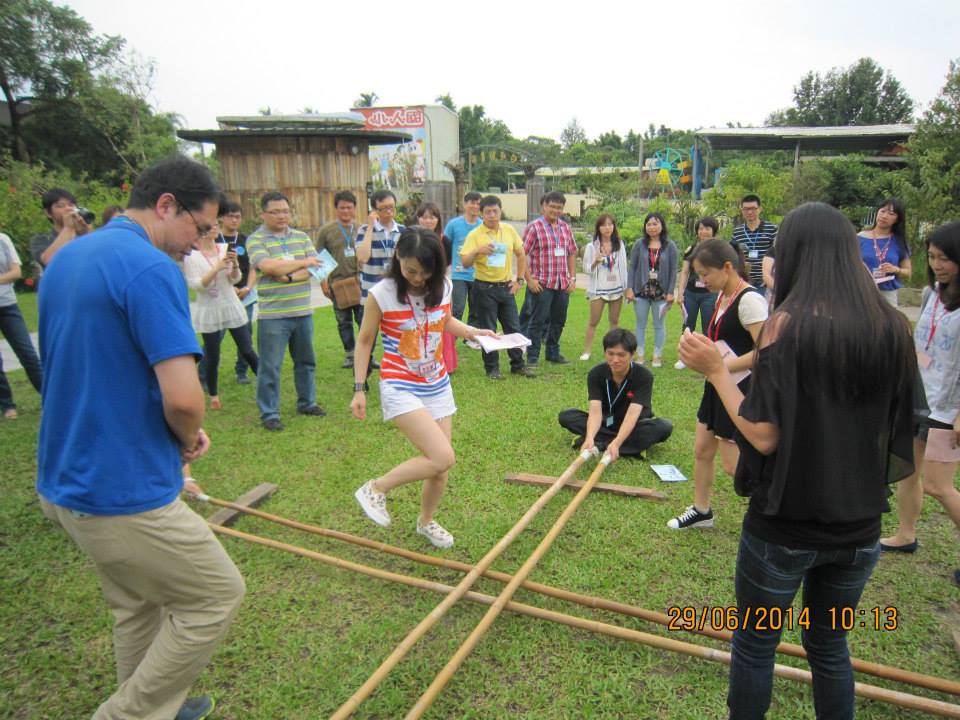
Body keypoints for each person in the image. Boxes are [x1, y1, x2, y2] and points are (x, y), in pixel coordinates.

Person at [679, 202, 915, 719]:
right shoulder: (892, 327)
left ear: (794, 255)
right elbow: (902, 430)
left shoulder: (787, 328)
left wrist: (716, 371)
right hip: (859, 528)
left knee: (757, 643)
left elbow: (763, 437)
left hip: (785, 527)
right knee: (830, 646)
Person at [36, 155, 245, 720]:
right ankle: (127, 713)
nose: (197, 243)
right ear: (165, 205)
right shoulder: (150, 268)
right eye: (199, 229)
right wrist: (188, 434)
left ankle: (158, 705)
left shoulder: (69, 256)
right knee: (216, 594)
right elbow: (182, 397)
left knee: (136, 603)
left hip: (63, 477)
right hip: (119, 485)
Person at [351, 227, 496, 549]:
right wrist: (359, 388)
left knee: (439, 467)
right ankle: (375, 488)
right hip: (400, 384)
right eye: (410, 270)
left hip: (437, 383)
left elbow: (443, 322)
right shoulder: (382, 294)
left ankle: (426, 522)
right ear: (398, 260)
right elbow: (364, 342)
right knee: (443, 456)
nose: (417, 278)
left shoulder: (441, 287)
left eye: (425, 272)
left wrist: (474, 333)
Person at [880, 221, 960, 584]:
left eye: (946, 258)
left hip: (949, 405)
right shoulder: (931, 293)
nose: (939, 265)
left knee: (938, 485)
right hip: (920, 396)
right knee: (908, 471)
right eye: (932, 257)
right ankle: (906, 535)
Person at [668, 239, 766, 530]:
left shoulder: (750, 300)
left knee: (734, 465)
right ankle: (702, 510)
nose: (702, 280)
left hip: (738, 390)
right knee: (701, 450)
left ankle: (772, 512)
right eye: (698, 274)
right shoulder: (723, 296)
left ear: (727, 267)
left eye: (706, 273)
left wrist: (718, 366)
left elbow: (765, 353)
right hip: (717, 385)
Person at [246, 191, 325, 431]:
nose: (282, 216)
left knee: (306, 361)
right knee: (270, 365)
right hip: (274, 316)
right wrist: (303, 263)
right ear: (263, 214)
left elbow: (319, 268)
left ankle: (307, 402)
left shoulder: (301, 237)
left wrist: (287, 276)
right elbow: (267, 266)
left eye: (285, 211)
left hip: (302, 310)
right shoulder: (256, 239)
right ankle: (269, 413)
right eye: (276, 212)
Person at [559, 328, 672, 459]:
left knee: (664, 427)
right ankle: (627, 447)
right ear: (605, 352)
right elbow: (595, 411)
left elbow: (632, 414)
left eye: (621, 355)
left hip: (634, 425)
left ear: (632, 354)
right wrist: (589, 437)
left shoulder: (644, 376)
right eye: (610, 353)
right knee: (567, 416)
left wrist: (617, 443)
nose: (615, 359)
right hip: (606, 421)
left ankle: (603, 444)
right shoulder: (596, 373)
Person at [183, 223, 259, 410]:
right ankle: (214, 395)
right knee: (212, 354)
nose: (216, 227)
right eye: (211, 225)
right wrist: (216, 267)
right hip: (209, 308)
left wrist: (233, 266)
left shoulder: (224, 248)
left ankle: (267, 383)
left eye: (216, 224)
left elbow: (234, 278)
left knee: (247, 349)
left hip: (230, 304)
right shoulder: (192, 256)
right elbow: (197, 285)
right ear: (201, 231)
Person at [460, 195, 535, 380]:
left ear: (500, 211)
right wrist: (478, 251)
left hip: (506, 287)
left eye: (495, 211)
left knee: (513, 327)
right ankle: (492, 368)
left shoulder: (509, 230)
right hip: (484, 288)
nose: (492, 215)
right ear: (481, 213)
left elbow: (521, 253)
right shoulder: (475, 235)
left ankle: (518, 365)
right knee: (488, 329)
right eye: (488, 212)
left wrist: (519, 280)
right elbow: (465, 262)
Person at [522, 190, 577, 366]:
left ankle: (553, 353)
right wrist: (529, 280)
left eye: (559, 208)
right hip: (542, 283)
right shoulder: (534, 227)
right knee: (537, 321)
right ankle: (532, 356)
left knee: (559, 320)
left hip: (562, 283)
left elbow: (571, 253)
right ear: (544, 206)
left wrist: (572, 278)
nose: (556, 210)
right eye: (552, 206)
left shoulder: (565, 227)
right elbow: (521, 254)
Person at [315, 190, 363, 369]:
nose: (346, 211)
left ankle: (367, 354)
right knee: (343, 322)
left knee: (364, 320)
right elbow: (318, 258)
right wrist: (323, 282)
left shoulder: (361, 228)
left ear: (354, 208)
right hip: (337, 283)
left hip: (359, 282)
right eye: (342, 208)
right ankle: (350, 354)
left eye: (349, 208)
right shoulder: (326, 231)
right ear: (336, 209)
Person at [625, 212, 678, 368]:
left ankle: (657, 356)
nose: (652, 227)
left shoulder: (670, 246)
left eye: (655, 223)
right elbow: (632, 267)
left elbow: (674, 269)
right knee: (640, 324)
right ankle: (639, 355)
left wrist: (670, 292)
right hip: (641, 290)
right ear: (645, 226)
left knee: (659, 325)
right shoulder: (639, 244)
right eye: (649, 224)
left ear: (662, 226)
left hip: (661, 292)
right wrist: (630, 288)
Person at [0, 229, 43, 418]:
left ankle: (50, 397)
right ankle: (7, 406)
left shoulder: (3, 239)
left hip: (8, 306)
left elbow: (16, 272)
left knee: (27, 353)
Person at [415, 202, 458, 374]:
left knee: (442, 322)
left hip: (439, 285)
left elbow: (447, 266)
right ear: (418, 219)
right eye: (424, 217)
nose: (428, 221)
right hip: (417, 286)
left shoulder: (444, 241)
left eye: (432, 217)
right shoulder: (413, 238)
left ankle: (446, 362)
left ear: (438, 220)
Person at [580, 213, 628, 361]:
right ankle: (586, 351)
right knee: (593, 321)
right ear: (598, 228)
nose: (607, 228)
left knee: (614, 321)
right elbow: (586, 269)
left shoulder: (619, 244)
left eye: (610, 224)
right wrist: (595, 262)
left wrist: (626, 288)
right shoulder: (591, 246)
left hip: (616, 288)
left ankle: (613, 351)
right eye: (604, 225)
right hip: (598, 289)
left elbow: (623, 267)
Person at [219, 201, 258, 383]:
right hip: (221, 295)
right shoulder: (215, 239)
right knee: (216, 334)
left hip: (245, 294)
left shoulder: (245, 240)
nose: (234, 220)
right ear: (222, 217)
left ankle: (241, 371)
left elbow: (253, 267)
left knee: (245, 333)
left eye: (238, 216)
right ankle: (204, 373)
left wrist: (248, 287)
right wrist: (229, 287)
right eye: (230, 216)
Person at [674, 217, 720, 370]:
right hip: (691, 293)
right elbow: (685, 271)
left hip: (710, 294)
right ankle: (684, 358)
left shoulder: (719, 249)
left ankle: (708, 358)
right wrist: (680, 293)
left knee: (709, 326)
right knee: (688, 325)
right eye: (700, 228)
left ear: (713, 230)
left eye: (707, 228)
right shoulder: (691, 249)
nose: (703, 231)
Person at [857, 197, 911, 307]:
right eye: (882, 211)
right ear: (877, 212)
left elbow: (908, 273)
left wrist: (896, 269)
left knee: (889, 324)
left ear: (897, 219)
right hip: (861, 291)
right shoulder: (859, 238)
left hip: (887, 295)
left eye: (891, 214)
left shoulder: (899, 242)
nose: (885, 216)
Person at [443, 191, 483, 327]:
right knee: (457, 308)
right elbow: (445, 246)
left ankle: (471, 339)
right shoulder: (453, 224)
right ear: (465, 204)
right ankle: (451, 340)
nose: (475, 206)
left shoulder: (483, 226)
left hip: (478, 274)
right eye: (472, 203)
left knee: (476, 309)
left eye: (478, 204)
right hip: (459, 274)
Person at [30, 188, 92, 274]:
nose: (68, 209)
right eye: (61, 206)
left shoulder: (83, 234)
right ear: (48, 213)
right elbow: (48, 260)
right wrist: (68, 228)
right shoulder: (41, 239)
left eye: (71, 205)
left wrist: (88, 235)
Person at [730, 194, 778, 290]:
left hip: (764, 282)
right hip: (744, 282)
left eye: (753, 208)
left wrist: (770, 278)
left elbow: (778, 254)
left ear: (759, 209)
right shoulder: (737, 232)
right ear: (742, 210)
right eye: (746, 209)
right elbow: (733, 254)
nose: (750, 212)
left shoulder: (772, 229)